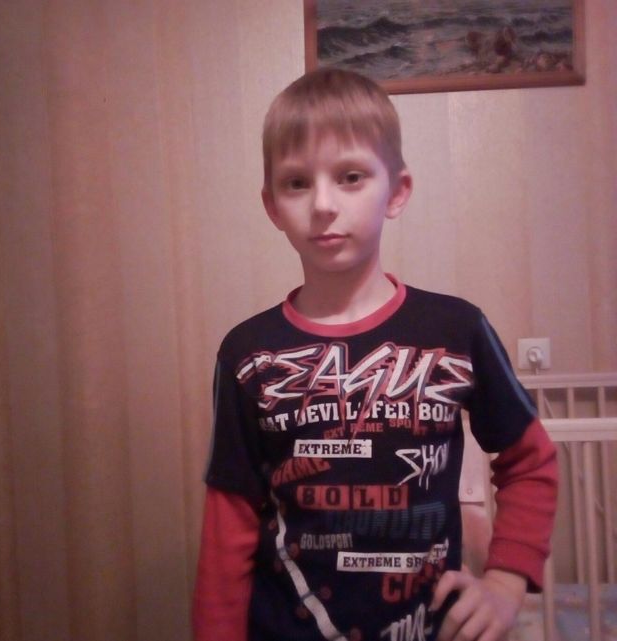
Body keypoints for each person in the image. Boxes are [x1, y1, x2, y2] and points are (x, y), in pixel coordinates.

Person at [192, 67, 557, 641]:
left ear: (397, 191)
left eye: (350, 177)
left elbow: (530, 462)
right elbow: (228, 524)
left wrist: (507, 582)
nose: (323, 204)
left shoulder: (457, 329)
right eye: (297, 183)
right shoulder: (246, 354)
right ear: (272, 206)